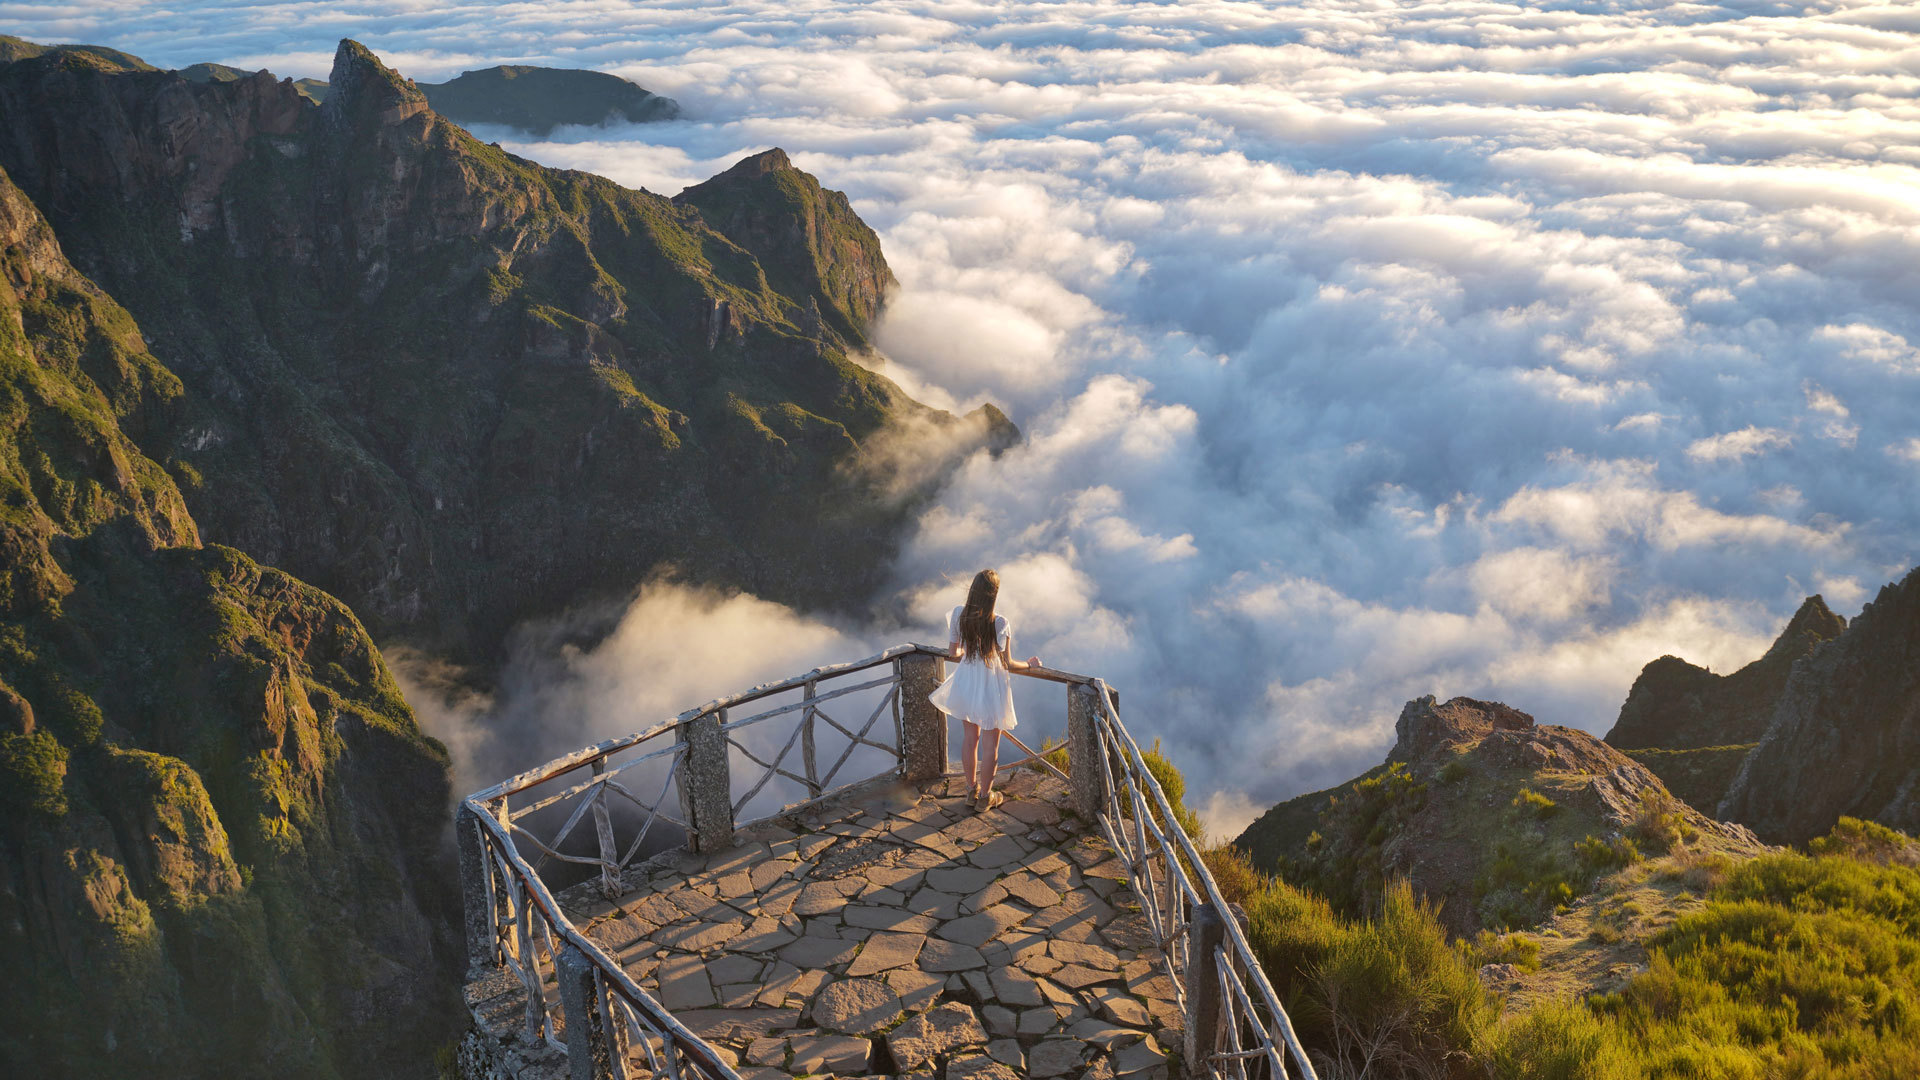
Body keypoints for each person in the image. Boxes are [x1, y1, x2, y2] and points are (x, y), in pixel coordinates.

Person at [928, 569, 1041, 811]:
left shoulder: (959, 614)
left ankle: (971, 791)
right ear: (994, 595)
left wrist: (966, 653)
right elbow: (1008, 663)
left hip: (967, 679)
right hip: (991, 684)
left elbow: (952, 652)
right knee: (991, 745)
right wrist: (1030, 665)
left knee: (971, 739)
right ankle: (986, 797)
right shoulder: (1000, 622)